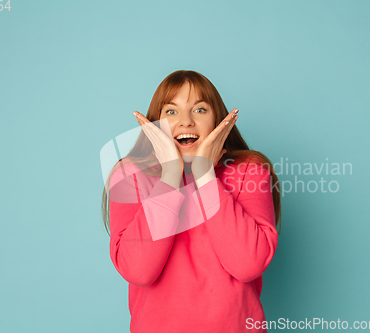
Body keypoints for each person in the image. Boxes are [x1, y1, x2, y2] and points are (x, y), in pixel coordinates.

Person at [101, 70, 281, 332]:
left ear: (219, 121)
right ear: (155, 125)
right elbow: (139, 271)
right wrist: (171, 174)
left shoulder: (249, 171)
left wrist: (205, 174)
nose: (185, 121)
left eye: (199, 109)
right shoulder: (129, 175)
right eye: (171, 112)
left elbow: (247, 265)